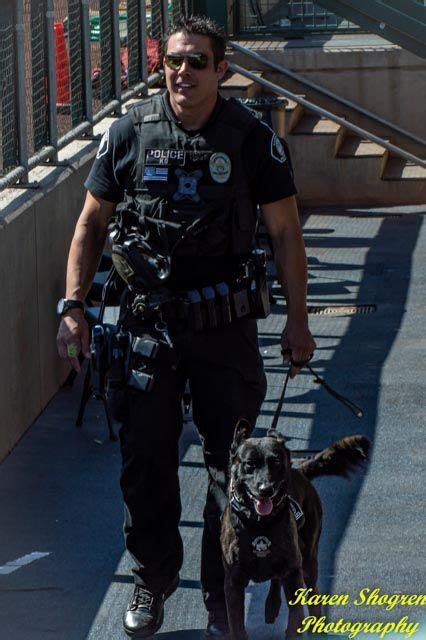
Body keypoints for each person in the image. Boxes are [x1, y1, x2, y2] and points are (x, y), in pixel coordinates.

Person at [56, 15, 316, 639]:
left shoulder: (252, 139)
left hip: (224, 331)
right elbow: (91, 225)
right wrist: (70, 307)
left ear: (221, 69)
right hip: (147, 330)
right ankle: (152, 580)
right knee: (145, 464)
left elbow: (285, 233)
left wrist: (299, 321)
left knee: (232, 472)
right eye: (174, 59)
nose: (183, 71)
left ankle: (218, 596)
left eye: (198, 61)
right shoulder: (129, 132)